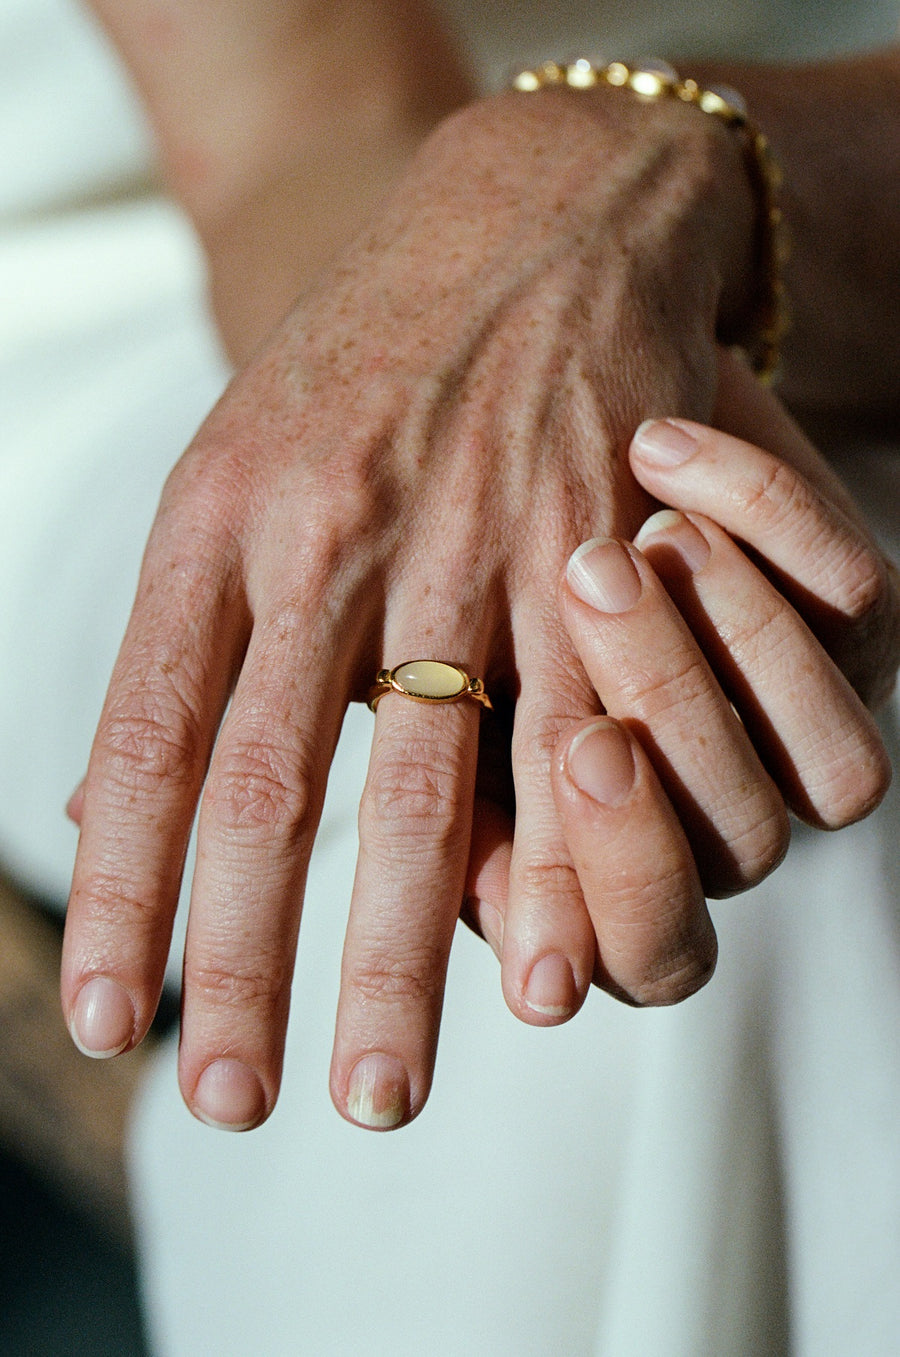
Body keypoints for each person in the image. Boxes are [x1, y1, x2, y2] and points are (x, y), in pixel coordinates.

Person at [0, 0, 897, 1351]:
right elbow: (297, 142)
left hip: (805, 160)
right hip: (167, 291)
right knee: (588, 810)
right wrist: (546, 431)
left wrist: (663, 184)